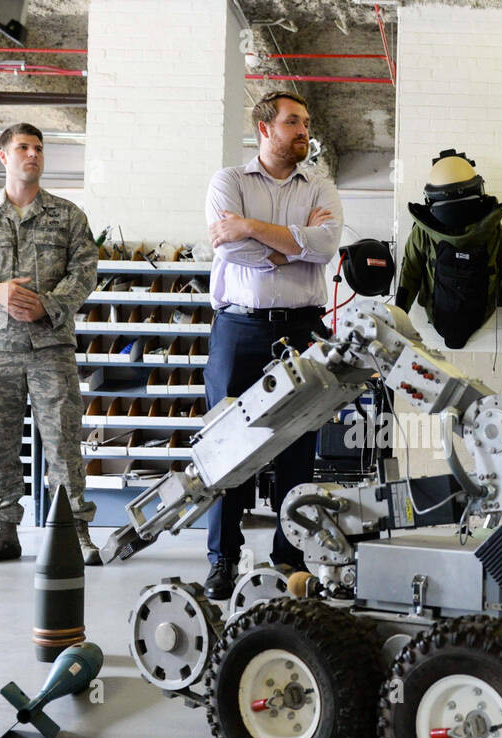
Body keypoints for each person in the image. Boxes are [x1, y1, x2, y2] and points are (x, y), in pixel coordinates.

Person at [202, 90, 343, 600]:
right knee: (226, 448)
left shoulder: (320, 185)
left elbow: (327, 245)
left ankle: (288, 558)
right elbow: (231, 248)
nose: (304, 130)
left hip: (303, 329)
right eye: (293, 122)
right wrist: (293, 247)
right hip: (239, 330)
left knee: (298, 448)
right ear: (265, 127)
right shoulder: (229, 182)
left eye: (306, 122)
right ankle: (222, 559)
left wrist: (253, 229)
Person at [0, 123, 101, 565]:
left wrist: (48, 306)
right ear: (4, 157)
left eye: (38, 148)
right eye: (23, 148)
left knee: (64, 444)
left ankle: (74, 535)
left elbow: (84, 271)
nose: (32, 154)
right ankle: (2, 531)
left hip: (51, 347)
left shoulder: (68, 215)